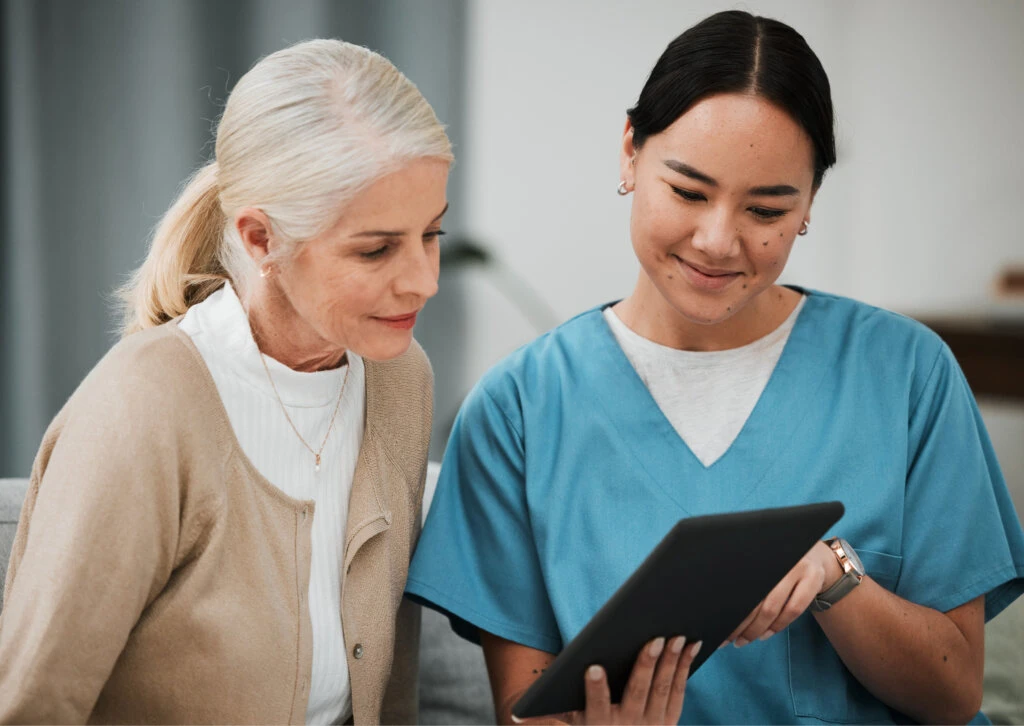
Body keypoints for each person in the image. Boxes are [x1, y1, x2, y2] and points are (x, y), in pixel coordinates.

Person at [405, 10, 1024, 725]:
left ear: (809, 206)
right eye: (689, 192)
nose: (718, 241)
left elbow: (954, 696)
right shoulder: (519, 410)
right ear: (630, 152)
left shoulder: (907, 375)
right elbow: (525, 709)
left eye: (766, 209)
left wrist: (834, 577)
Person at [0, 38, 451, 724]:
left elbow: (390, 681)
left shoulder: (397, 376)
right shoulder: (145, 407)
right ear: (262, 239)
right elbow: (31, 705)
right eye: (376, 248)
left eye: (433, 234)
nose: (424, 279)